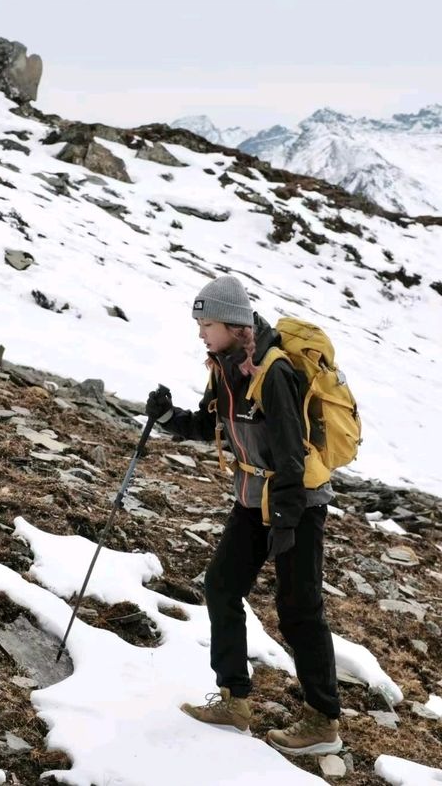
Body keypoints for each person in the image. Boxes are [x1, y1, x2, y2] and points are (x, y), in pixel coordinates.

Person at [145, 275, 342, 756]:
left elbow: (293, 456)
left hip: (296, 503)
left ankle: (323, 722)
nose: (200, 333)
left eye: (206, 323)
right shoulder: (225, 366)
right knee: (221, 586)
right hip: (254, 499)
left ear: (233, 324)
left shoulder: (272, 372)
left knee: (299, 611)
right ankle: (235, 701)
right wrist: (170, 418)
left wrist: (288, 524)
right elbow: (211, 422)